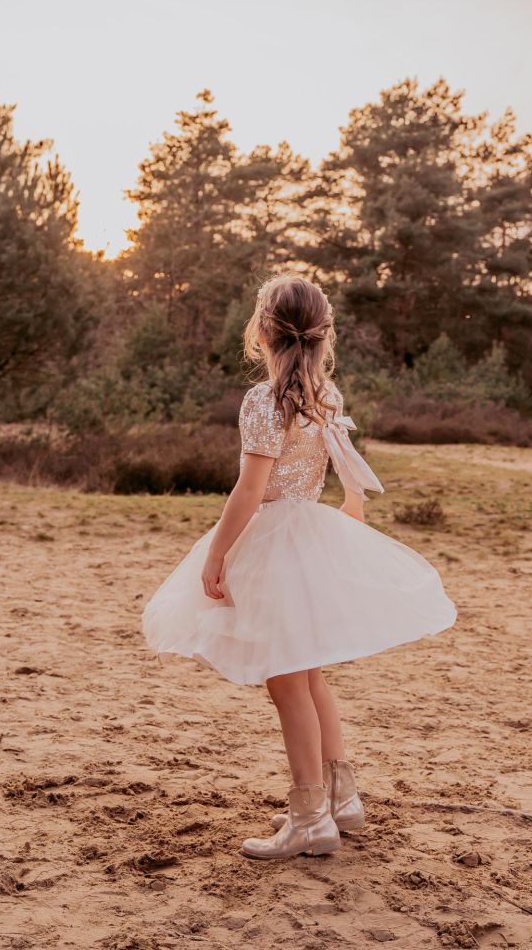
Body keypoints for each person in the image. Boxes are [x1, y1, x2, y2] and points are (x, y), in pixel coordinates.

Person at [141, 272, 457, 859]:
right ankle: (343, 798)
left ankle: (310, 815)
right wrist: (354, 508)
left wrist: (216, 554)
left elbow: (249, 489)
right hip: (310, 532)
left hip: (277, 541)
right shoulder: (324, 394)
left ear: (262, 330)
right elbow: (345, 463)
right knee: (309, 674)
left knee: (286, 681)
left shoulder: (265, 401)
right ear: (321, 334)